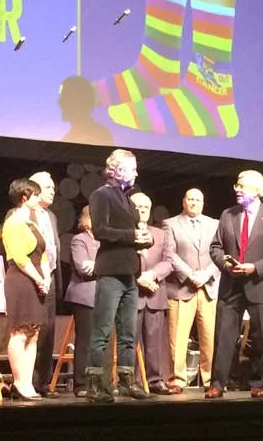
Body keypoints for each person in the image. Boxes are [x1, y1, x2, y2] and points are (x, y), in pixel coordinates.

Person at [207, 170, 263, 399]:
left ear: (258, 190)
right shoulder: (228, 214)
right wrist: (226, 264)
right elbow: (215, 247)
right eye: (237, 185)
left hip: (259, 283)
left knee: (261, 336)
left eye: (242, 186)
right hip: (231, 284)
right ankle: (217, 383)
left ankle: (258, 382)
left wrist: (255, 267)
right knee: (223, 336)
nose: (237, 189)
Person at [84, 149, 153, 403]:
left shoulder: (128, 198)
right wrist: (132, 236)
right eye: (132, 168)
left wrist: (146, 238)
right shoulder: (101, 195)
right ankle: (94, 386)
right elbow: (101, 230)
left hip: (130, 272)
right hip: (111, 271)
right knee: (102, 331)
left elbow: (134, 231)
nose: (136, 173)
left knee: (128, 334)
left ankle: (127, 382)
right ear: (117, 170)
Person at [162, 188, 220, 393]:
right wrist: (189, 274)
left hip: (208, 287)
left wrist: (206, 274)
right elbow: (169, 253)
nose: (194, 202)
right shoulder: (170, 224)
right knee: (177, 338)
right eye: (190, 199)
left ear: (203, 203)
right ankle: (177, 379)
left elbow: (220, 253)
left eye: (198, 200)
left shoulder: (215, 224)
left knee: (209, 337)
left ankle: (210, 380)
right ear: (183, 202)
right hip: (182, 287)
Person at [0, 178, 52, 401]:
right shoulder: (13, 223)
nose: (39, 198)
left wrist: (46, 278)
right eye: (35, 195)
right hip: (21, 280)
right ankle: (19, 382)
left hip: (37, 279)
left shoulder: (33, 224)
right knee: (20, 332)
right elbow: (20, 258)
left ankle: (28, 383)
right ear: (24, 197)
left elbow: (44, 255)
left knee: (33, 333)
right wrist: (38, 279)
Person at [130, 192, 174, 394]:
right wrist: (139, 277)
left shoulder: (161, 234)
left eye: (145, 208)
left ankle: (155, 380)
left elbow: (169, 261)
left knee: (155, 342)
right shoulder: (123, 233)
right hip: (131, 294)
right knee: (130, 341)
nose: (142, 211)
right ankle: (131, 382)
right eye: (138, 207)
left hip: (155, 295)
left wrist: (151, 275)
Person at [27, 171, 62, 397]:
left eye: (53, 188)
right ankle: (27, 382)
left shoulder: (51, 216)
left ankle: (43, 383)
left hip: (50, 277)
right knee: (31, 331)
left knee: (48, 331)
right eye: (48, 188)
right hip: (30, 278)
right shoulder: (20, 213)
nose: (52, 192)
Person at [65, 206, 100, 397]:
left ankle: (101, 382)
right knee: (85, 341)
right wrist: (109, 265)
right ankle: (81, 384)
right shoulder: (80, 239)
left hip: (104, 296)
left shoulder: (105, 240)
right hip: (85, 296)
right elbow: (83, 267)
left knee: (102, 342)